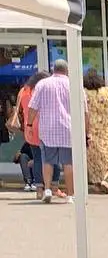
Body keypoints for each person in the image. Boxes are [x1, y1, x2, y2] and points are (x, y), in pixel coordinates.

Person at [28, 59, 74, 204]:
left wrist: (29, 125)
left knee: (47, 160)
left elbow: (33, 107)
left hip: (47, 129)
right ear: (66, 70)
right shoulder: (72, 84)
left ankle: (47, 189)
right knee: (68, 163)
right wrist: (86, 130)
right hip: (68, 128)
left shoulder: (42, 84)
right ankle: (70, 194)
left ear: (54, 69)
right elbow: (84, 109)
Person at [82, 67, 108, 194]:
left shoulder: (84, 93)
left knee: (93, 155)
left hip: (90, 126)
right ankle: (104, 178)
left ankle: (98, 181)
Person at [10, 73, 38, 191]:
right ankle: (34, 182)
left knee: (34, 155)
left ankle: (34, 182)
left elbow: (20, 110)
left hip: (30, 129)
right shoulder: (36, 91)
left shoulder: (23, 92)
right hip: (37, 130)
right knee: (32, 155)